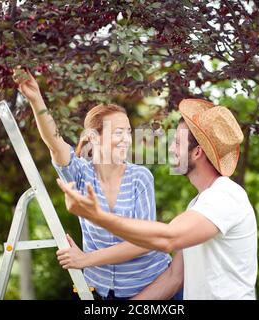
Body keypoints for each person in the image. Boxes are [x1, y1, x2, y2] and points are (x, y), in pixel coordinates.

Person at [57, 98, 258, 300]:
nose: (171, 149)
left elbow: (167, 238)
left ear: (197, 152)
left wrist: (97, 216)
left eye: (177, 143)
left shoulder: (225, 197)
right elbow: (173, 277)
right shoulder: (198, 206)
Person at [12, 66, 171, 300]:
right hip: (99, 290)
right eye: (118, 132)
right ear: (94, 138)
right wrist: (37, 101)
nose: (126, 139)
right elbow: (54, 143)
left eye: (128, 132)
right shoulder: (80, 174)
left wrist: (84, 259)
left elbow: (145, 242)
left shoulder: (140, 177)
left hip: (151, 287)